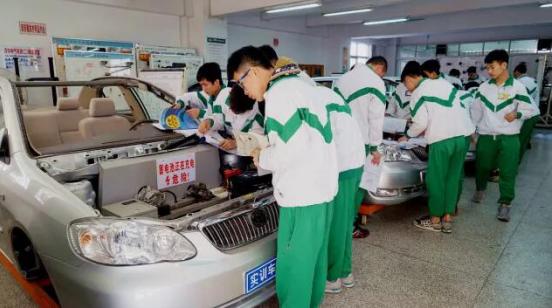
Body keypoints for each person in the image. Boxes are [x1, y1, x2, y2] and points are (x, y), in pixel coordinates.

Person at [228, 46, 338, 308]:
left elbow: (290, 151)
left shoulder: (279, 94)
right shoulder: (301, 86)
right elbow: (302, 139)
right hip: (321, 192)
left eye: (239, 82)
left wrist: (261, 157)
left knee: (294, 271)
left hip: (302, 197)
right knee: (313, 265)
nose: (242, 90)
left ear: (252, 72)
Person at [399, 61, 467, 234]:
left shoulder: (419, 92)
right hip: (462, 138)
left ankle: (435, 219)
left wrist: (408, 135)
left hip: (442, 140)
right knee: (452, 178)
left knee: (435, 179)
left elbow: (420, 123)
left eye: (406, 84)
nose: (408, 89)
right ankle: (448, 218)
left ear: (409, 78)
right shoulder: (446, 84)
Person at [471, 50, 539, 222]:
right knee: (482, 166)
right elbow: (476, 111)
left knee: (508, 171)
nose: (489, 71)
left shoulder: (517, 86)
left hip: (509, 137)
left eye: (492, 67)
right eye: (487, 68)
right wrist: (472, 130)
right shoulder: (484, 87)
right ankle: (480, 189)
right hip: (486, 136)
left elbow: (530, 108)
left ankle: (505, 204)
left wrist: (517, 114)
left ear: (504, 65)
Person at [315, 86, 364, 294]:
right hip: (353, 163)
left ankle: (332, 277)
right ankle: (345, 272)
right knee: (344, 223)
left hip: (341, 166)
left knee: (336, 224)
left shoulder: (308, 98)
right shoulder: (327, 93)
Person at [334, 56, 388, 238]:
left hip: (339, 141)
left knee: (341, 187)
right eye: (383, 73)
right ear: (380, 68)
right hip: (361, 142)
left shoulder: (342, 79)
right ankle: (350, 226)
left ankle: (339, 225)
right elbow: (376, 118)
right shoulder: (376, 82)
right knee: (359, 186)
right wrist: (376, 148)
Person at [197, 85, 264, 150]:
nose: (230, 111)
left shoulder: (257, 119)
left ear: (248, 109)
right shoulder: (224, 96)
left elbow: (257, 140)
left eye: (236, 112)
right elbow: (219, 119)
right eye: (230, 106)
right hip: (224, 138)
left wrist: (236, 143)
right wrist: (209, 122)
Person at [513, 62, 541, 162]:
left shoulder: (519, 82)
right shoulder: (532, 80)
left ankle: (514, 165)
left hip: (528, 113)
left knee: (519, 141)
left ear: (516, 72)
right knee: (524, 138)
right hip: (533, 109)